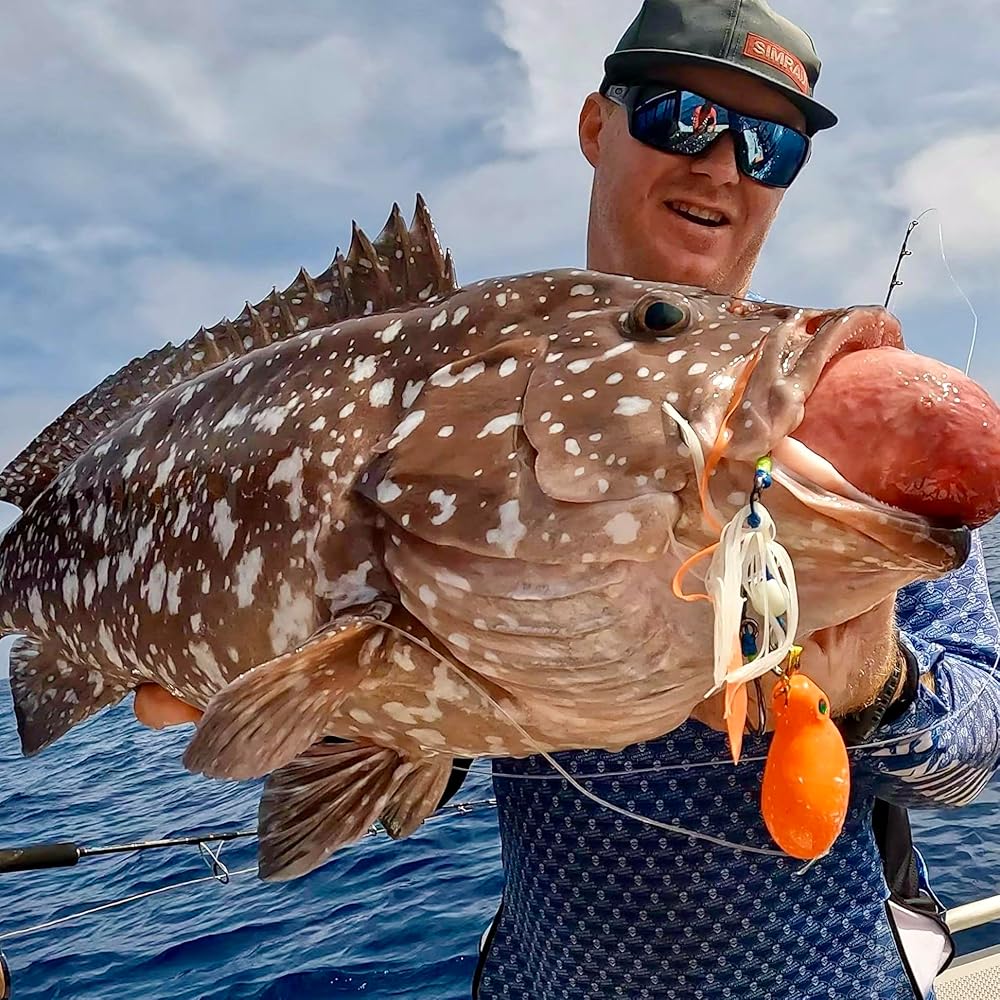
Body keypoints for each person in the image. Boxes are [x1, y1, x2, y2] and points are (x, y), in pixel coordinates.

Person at [134, 2, 1000, 998]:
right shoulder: (461, 385)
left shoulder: (846, 437)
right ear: (597, 125)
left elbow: (970, 754)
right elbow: (410, 751)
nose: (723, 166)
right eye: (681, 115)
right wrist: (329, 705)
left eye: (771, 146)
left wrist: (877, 689)